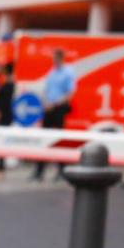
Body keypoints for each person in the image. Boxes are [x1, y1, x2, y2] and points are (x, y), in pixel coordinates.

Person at [30, 49, 75, 182]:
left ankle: (61, 170)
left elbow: (70, 93)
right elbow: (47, 90)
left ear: (61, 58)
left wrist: (54, 104)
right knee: (44, 139)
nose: (53, 61)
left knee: (59, 140)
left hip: (58, 109)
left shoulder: (68, 72)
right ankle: (39, 171)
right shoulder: (52, 72)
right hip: (48, 109)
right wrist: (44, 103)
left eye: (55, 58)